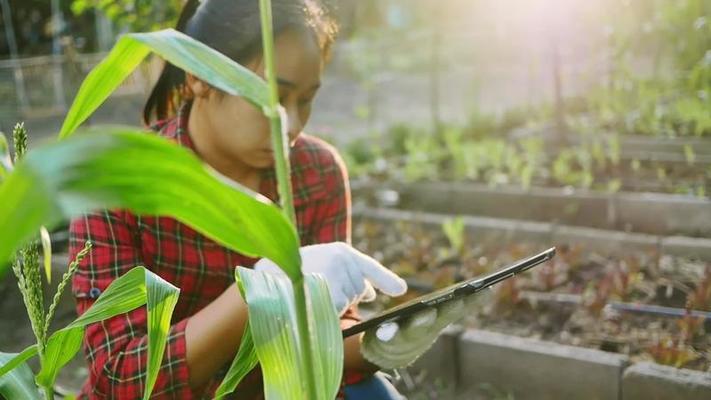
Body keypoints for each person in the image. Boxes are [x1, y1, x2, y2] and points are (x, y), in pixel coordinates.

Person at [68, 0, 407, 398]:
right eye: (271, 97)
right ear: (198, 76)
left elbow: (325, 334)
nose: (293, 125)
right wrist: (261, 292)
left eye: (306, 99)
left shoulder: (315, 172)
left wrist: (384, 338)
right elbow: (121, 376)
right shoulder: (116, 185)